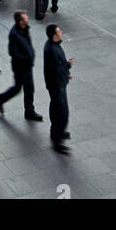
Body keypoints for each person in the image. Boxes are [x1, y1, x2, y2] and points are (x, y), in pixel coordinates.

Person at [0, 12, 43, 122]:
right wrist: (26, 58)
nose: (27, 17)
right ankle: (0, 99)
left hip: (27, 66)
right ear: (21, 21)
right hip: (21, 67)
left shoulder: (25, 28)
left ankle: (28, 111)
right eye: (25, 17)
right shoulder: (14, 34)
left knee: (27, 89)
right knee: (20, 88)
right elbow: (12, 52)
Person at [43, 25, 73, 153]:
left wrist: (66, 67)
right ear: (54, 35)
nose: (61, 32)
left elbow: (59, 67)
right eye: (59, 31)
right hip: (57, 85)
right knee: (63, 113)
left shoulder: (52, 46)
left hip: (56, 84)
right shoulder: (53, 50)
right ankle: (58, 139)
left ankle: (56, 133)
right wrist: (66, 70)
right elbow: (56, 69)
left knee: (56, 109)